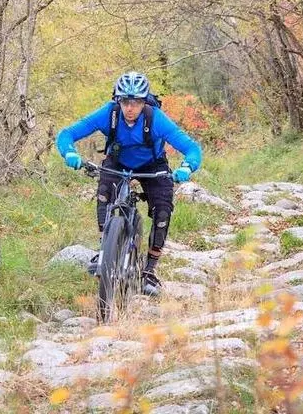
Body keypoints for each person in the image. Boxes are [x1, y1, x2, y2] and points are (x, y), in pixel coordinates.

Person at [55, 71, 203, 297]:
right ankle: (106, 252)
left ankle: (150, 271)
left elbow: (192, 148)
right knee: (105, 193)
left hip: (152, 165)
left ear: (144, 102)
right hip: (118, 162)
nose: (130, 108)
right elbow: (68, 133)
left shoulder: (156, 118)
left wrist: (186, 167)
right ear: (118, 100)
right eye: (125, 101)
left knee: (162, 210)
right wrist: (69, 153)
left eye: (136, 102)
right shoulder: (109, 114)